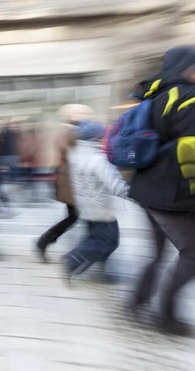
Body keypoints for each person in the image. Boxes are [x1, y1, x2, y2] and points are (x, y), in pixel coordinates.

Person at [127, 45, 195, 336]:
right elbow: (194, 151)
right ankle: (166, 316)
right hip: (174, 194)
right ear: (190, 67)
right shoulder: (194, 98)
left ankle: (136, 302)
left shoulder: (154, 96)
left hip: (146, 189)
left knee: (157, 254)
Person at [61, 121, 129, 282]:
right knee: (109, 241)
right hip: (101, 208)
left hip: (86, 206)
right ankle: (72, 260)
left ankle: (95, 269)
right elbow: (114, 184)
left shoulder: (76, 156)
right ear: (94, 138)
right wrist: (130, 193)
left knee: (97, 239)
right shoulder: (98, 160)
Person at [34, 104, 93, 262]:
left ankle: (44, 242)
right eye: (81, 113)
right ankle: (45, 243)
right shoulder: (69, 132)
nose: (85, 116)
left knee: (74, 216)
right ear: (71, 115)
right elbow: (74, 155)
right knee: (78, 216)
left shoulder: (74, 131)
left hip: (73, 179)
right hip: (71, 180)